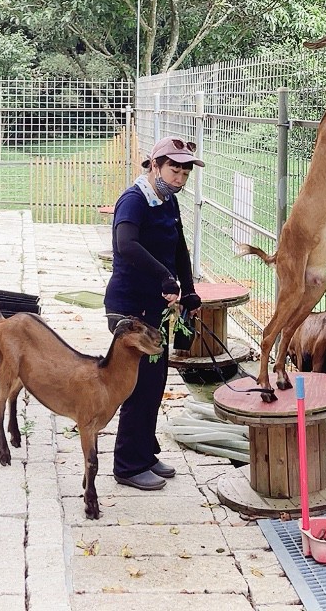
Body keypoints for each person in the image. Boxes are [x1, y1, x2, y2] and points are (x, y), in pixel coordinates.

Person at [104, 136, 204, 490]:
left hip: (155, 307)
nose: (179, 177)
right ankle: (128, 466)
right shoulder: (134, 200)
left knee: (155, 382)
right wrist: (164, 276)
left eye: (185, 172)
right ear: (154, 165)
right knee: (139, 385)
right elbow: (125, 245)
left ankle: (145, 453)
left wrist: (189, 290)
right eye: (173, 169)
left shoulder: (168, 201)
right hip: (129, 307)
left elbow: (179, 249)